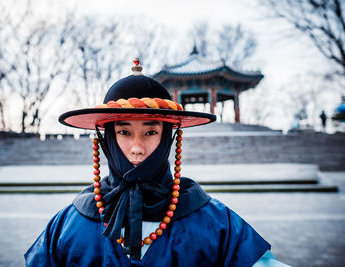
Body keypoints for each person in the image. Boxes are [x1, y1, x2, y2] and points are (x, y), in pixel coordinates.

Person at [25, 59, 289, 266]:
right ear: (105, 138)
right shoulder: (67, 223)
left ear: (168, 137)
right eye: (124, 132)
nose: (137, 148)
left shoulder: (217, 223)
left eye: (151, 132)